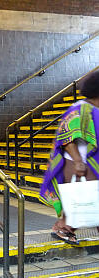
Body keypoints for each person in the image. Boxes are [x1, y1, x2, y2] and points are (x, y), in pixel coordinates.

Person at [40, 69, 99, 245]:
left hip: (88, 164)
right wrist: (79, 162)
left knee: (88, 201)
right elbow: (66, 137)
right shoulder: (81, 108)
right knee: (85, 199)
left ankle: (64, 228)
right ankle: (62, 228)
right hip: (79, 164)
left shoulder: (93, 109)